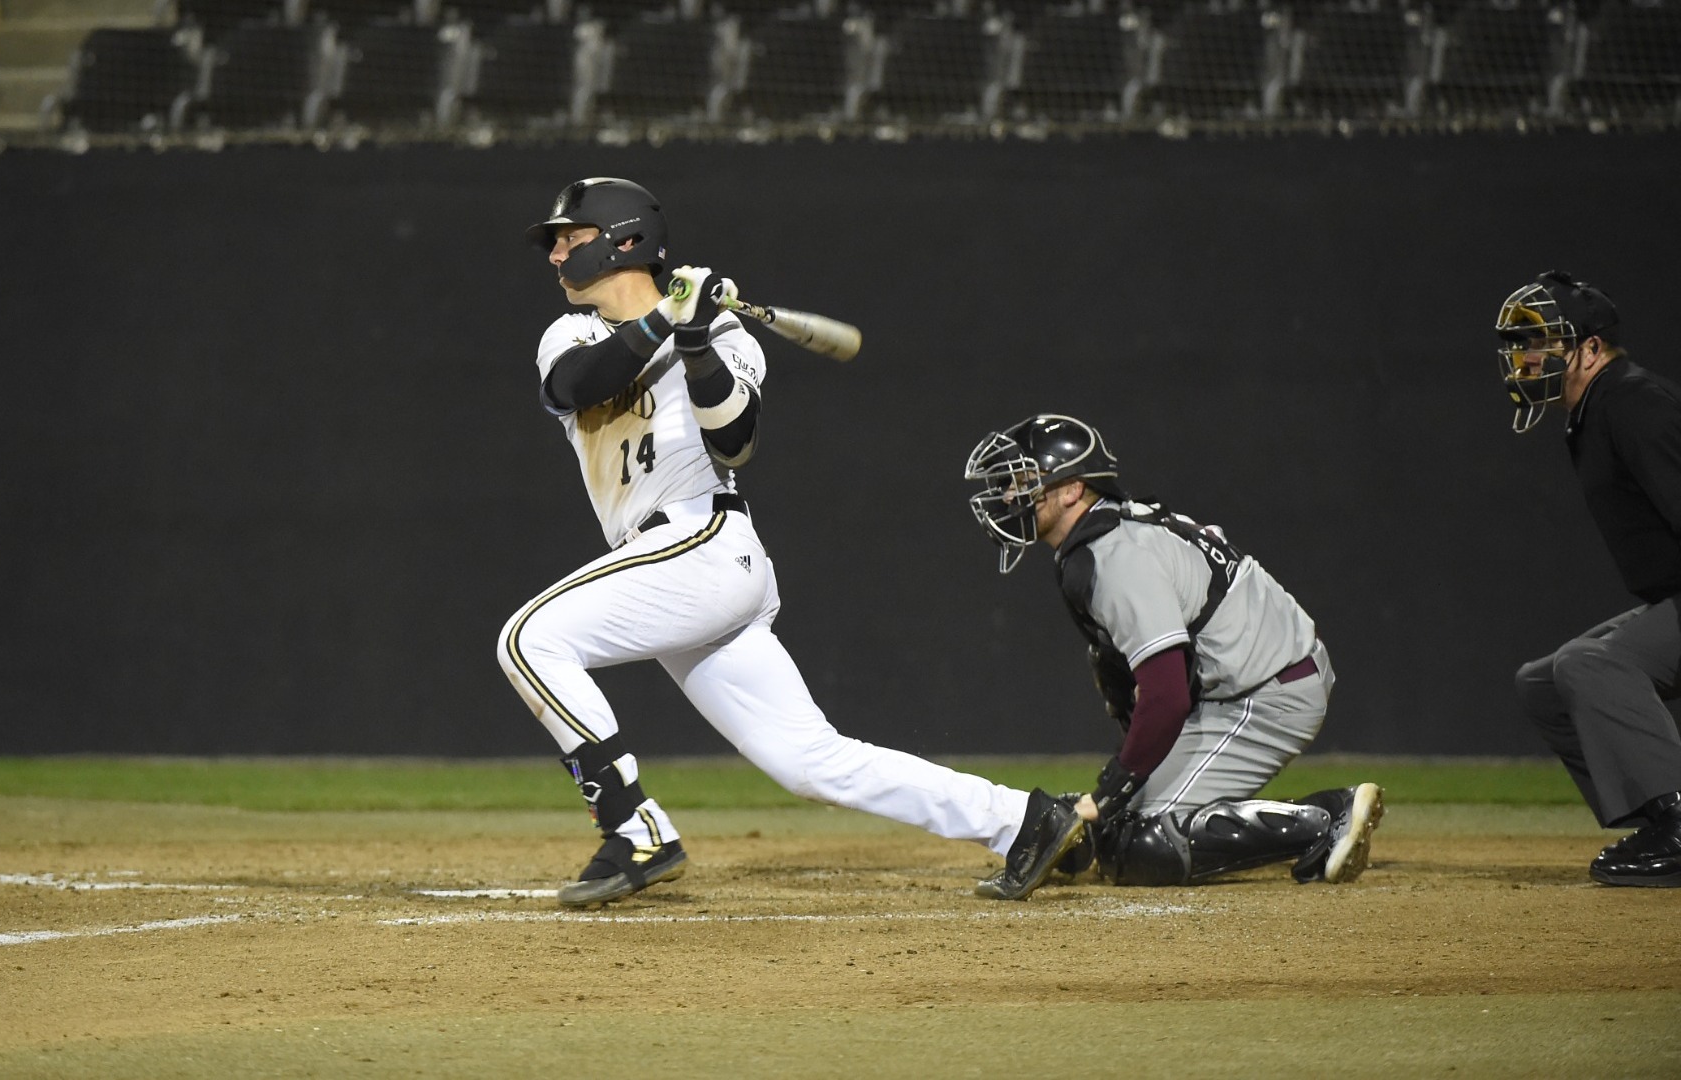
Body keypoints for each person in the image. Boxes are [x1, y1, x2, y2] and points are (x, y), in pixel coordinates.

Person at [499, 177, 1039, 908]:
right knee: (812, 763)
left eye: (571, 237)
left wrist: (695, 339)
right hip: (667, 564)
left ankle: (635, 827)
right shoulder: (572, 334)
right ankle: (1021, 819)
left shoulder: (726, 334)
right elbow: (576, 386)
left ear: (625, 242)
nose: (556, 252)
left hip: (703, 542)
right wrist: (669, 319)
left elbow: (737, 439)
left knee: (529, 639)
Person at [960, 413, 1384, 897]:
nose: (1012, 495)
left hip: (1267, 693)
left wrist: (1106, 795)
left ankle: (1324, 816)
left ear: (1073, 489)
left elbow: (1165, 696)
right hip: (1243, 681)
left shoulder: (1116, 556)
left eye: (1026, 481)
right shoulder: (1110, 537)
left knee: (1141, 844)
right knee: (1111, 829)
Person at [1499, 270, 1681, 888]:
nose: (1524, 357)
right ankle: (1661, 815)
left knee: (1591, 664)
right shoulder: (1600, 409)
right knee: (1543, 684)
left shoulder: (1634, 403)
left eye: (1540, 341)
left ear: (1591, 348)